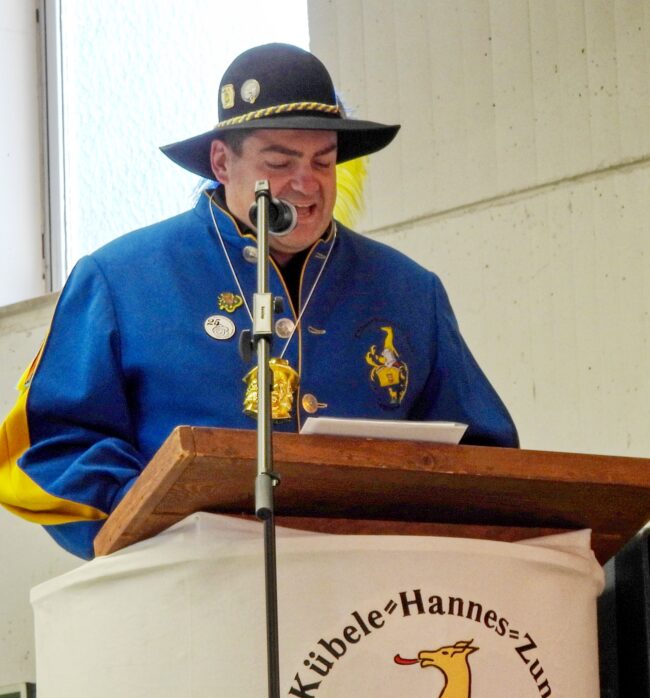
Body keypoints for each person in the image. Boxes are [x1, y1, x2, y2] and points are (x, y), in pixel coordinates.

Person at [0, 43, 518, 560]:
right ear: (222, 162)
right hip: (185, 579)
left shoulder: (409, 289)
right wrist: (148, 514)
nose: (306, 184)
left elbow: (484, 457)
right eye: (280, 162)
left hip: (376, 581)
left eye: (323, 161)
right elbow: (47, 444)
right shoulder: (120, 278)